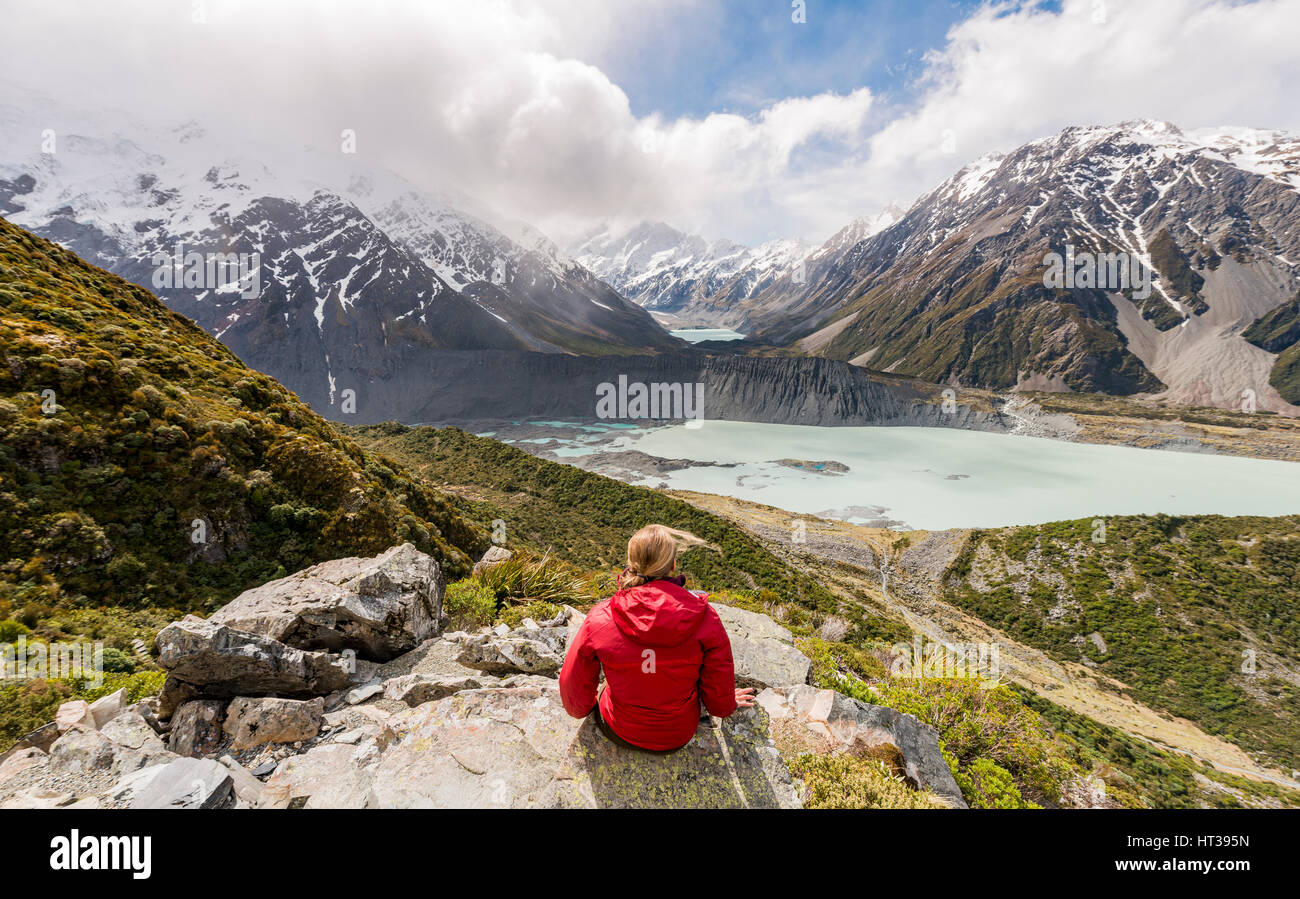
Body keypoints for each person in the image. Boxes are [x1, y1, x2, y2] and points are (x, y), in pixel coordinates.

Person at [559, 523, 754, 752]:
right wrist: (727, 702)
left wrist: (585, 707)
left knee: (610, 683)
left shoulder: (601, 617)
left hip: (619, 729)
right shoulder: (705, 618)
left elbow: (573, 691)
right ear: (672, 565)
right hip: (679, 733)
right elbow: (719, 700)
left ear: (630, 564)